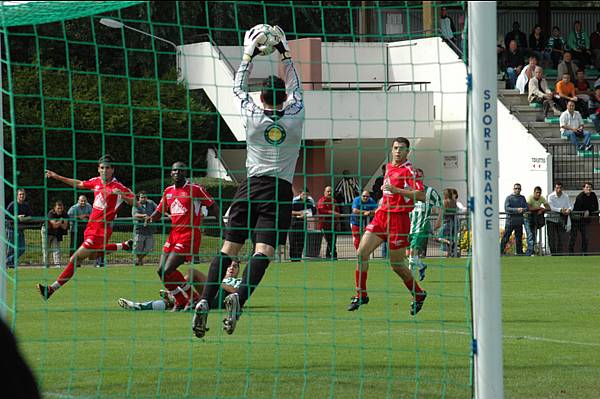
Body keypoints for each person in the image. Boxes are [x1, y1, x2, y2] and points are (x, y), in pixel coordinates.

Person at [192, 25, 304, 338]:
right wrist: (285, 53)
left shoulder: (251, 114)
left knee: (229, 248)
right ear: (282, 97)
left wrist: (248, 54)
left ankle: (204, 300)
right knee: (263, 251)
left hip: (249, 187)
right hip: (279, 191)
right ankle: (238, 299)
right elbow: (297, 88)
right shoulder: (295, 114)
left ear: (262, 96)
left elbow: (237, 89)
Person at [37, 155, 136, 300]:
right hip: (90, 228)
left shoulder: (118, 187)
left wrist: (123, 196)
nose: (104, 170)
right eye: (102, 168)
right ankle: (124, 246)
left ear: (112, 170)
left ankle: (51, 289)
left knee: (75, 258)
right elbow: (78, 183)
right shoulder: (96, 182)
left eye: (107, 168)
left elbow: (134, 202)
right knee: (93, 255)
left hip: (101, 231)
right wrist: (57, 177)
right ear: (98, 169)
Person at [347, 137, 426, 315]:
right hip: (382, 216)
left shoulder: (409, 171)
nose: (398, 151)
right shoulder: (389, 167)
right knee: (361, 253)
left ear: (408, 151)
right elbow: (387, 191)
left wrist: (397, 190)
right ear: (391, 150)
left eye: (402, 149)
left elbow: (421, 195)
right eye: (395, 148)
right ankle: (361, 295)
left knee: (397, 265)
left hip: (398, 219)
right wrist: (381, 203)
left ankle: (418, 294)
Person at [144, 161, 219, 311]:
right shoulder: (168, 191)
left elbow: (213, 205)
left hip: (189, 235)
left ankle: (194, 297)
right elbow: (159, 211)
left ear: (186, 173)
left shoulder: (195, 189)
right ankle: (179, 300)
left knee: (168, 269)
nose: (177, 173)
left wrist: (222, 227)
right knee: (161, 271)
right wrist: (151, 218)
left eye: (180, 171)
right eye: (174, 171)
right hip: (174, 235)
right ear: (171, 173)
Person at [118, 261, 241, 311]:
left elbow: (237, 291)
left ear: (238, 270)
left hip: (217, 297)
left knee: (192, 273)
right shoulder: (219, 277)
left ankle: (175, 294)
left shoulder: (237, 281)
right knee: (173, 304)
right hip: (205, 298)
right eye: (229, 265)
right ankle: (140, 306)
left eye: (235, 266)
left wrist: (219, 282)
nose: (231, 268)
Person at [408, 169, 442, 281]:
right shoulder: (407, 192)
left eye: (419, 177)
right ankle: (421, 267)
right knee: (409, 254)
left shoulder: (430, 191)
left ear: (423, 177)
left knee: (413, 252)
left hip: (421, 226)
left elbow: (439, 206)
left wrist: (438, 220)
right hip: (408, 226)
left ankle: (410, 277)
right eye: (415, 177)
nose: (417, 179)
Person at [5, 188, 33, 268]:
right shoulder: (12, 204)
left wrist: (24, 218)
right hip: (11, 228)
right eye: (20, 194)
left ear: (25, 195)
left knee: (22, 249)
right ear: (17, 195)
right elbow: (6, 215)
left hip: (21, 229)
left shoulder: (26, 205)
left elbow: (30, 216)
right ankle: (10, 264)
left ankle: (8, 261)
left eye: (23, 194)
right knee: (11, 249)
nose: (22, 196)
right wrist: (16, 217)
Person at [568, 182, 598, 255]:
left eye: (590, 187)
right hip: (576, 219)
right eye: (587, 187)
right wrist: (586, 210)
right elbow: (579, 208)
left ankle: (584, 253)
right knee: (573, 237)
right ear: (583, 188)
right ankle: (570, 253)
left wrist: (588, 211)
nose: (588, 189)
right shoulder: (580, 196)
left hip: (585, 221)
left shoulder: (593, 195)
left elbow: (596, 207)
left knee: (586, 237)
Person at [500, 183, 529, 256]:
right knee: (506, 238)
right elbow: (507, 208)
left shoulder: (522, 198)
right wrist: (517, 210)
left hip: (519, 221)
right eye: (516, 188)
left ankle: (520, 253)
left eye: (519, 188)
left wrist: (522, 209)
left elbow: (526, 207)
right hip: (510, 221)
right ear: (513, 189)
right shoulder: (509, 198)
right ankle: (500, 252)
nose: (517, 190)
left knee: (519, 239)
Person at [289, 190, 316, 261]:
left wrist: (304, 213)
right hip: (293, 223)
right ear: (300, 194)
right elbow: (289, 211)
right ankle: (293, 259)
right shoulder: (294, 200)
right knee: (293, 242)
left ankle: (299, 258)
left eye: (307, 195)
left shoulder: (310, 200)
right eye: (304, 194)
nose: (305, 196)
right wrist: (299, 213)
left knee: (301, 242)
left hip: (303, 224)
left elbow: (314, 211)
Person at [131, 191, 157, 266]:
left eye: (145, 197)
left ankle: (139, 260)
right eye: (142, 197)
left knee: (148, 248)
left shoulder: (151, 203)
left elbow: (158, 209)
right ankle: (139, 260)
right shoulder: (136, 204)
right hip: (139, 230)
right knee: (138, 249)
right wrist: (144, 215)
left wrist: (167, 214)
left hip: (150, 230)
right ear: (139, 198)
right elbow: (135, 214)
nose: (143, 199)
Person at [546, 181, 571, 256]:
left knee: (561, 237)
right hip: (551, 219)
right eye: (557, 188)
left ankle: (560, 254)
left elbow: (570, 205)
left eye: (560, 188)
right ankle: (553, 254)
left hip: (561, 218)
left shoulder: (566, 196)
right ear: (555, 188)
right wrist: (560, 210)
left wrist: (569, 210)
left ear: (562, 188)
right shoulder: (551, 196)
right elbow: (551, 207)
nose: (559, 189)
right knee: (551, 237)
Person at [41, 200, 69, 268]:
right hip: (47, 232)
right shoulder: (51, 213)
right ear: (55, 208)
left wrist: (58, 223)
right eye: (58, 208)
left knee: (57, 249)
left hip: (56, 233)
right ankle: (46, 265)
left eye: (61, 208)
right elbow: (54, 225)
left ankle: (57, 266)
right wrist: (61, 221)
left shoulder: (65, 214)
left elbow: (65, 227)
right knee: (46, 249)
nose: (60, 210)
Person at [525, 186, 550, 256]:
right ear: (534, 193)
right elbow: (528, 208)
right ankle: (528, 254)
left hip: (535, 219)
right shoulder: (530, 198)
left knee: (534, 235)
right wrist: (539, 208)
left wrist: (542, 210)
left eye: (539, 193)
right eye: (537, 192)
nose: (538, 194)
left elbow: (548, 208)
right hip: (528, 218)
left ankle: (533, 252)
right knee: (530, 236)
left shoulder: (542, 198)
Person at [317, 185, 340, 260]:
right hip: (324, 225)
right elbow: (321, 210)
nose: (329, 193)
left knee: (333, 241)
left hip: (333, 225)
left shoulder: (334, 201)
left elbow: (337, 212)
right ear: (324, 192)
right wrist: (332, 212)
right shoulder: (321, 200)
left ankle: (329, 256)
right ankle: (334, 256)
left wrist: (338, 222)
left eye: (331, 191)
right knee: (330, 241)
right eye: (328, 191)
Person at [439, 188, 458, 257]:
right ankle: (448, 254)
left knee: (437, 237)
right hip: (453, 223)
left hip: (446, 222)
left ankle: (449, 242)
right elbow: (456, 211)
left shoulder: (444, 201)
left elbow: (442, 211)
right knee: (449, 237)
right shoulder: (454, 201)